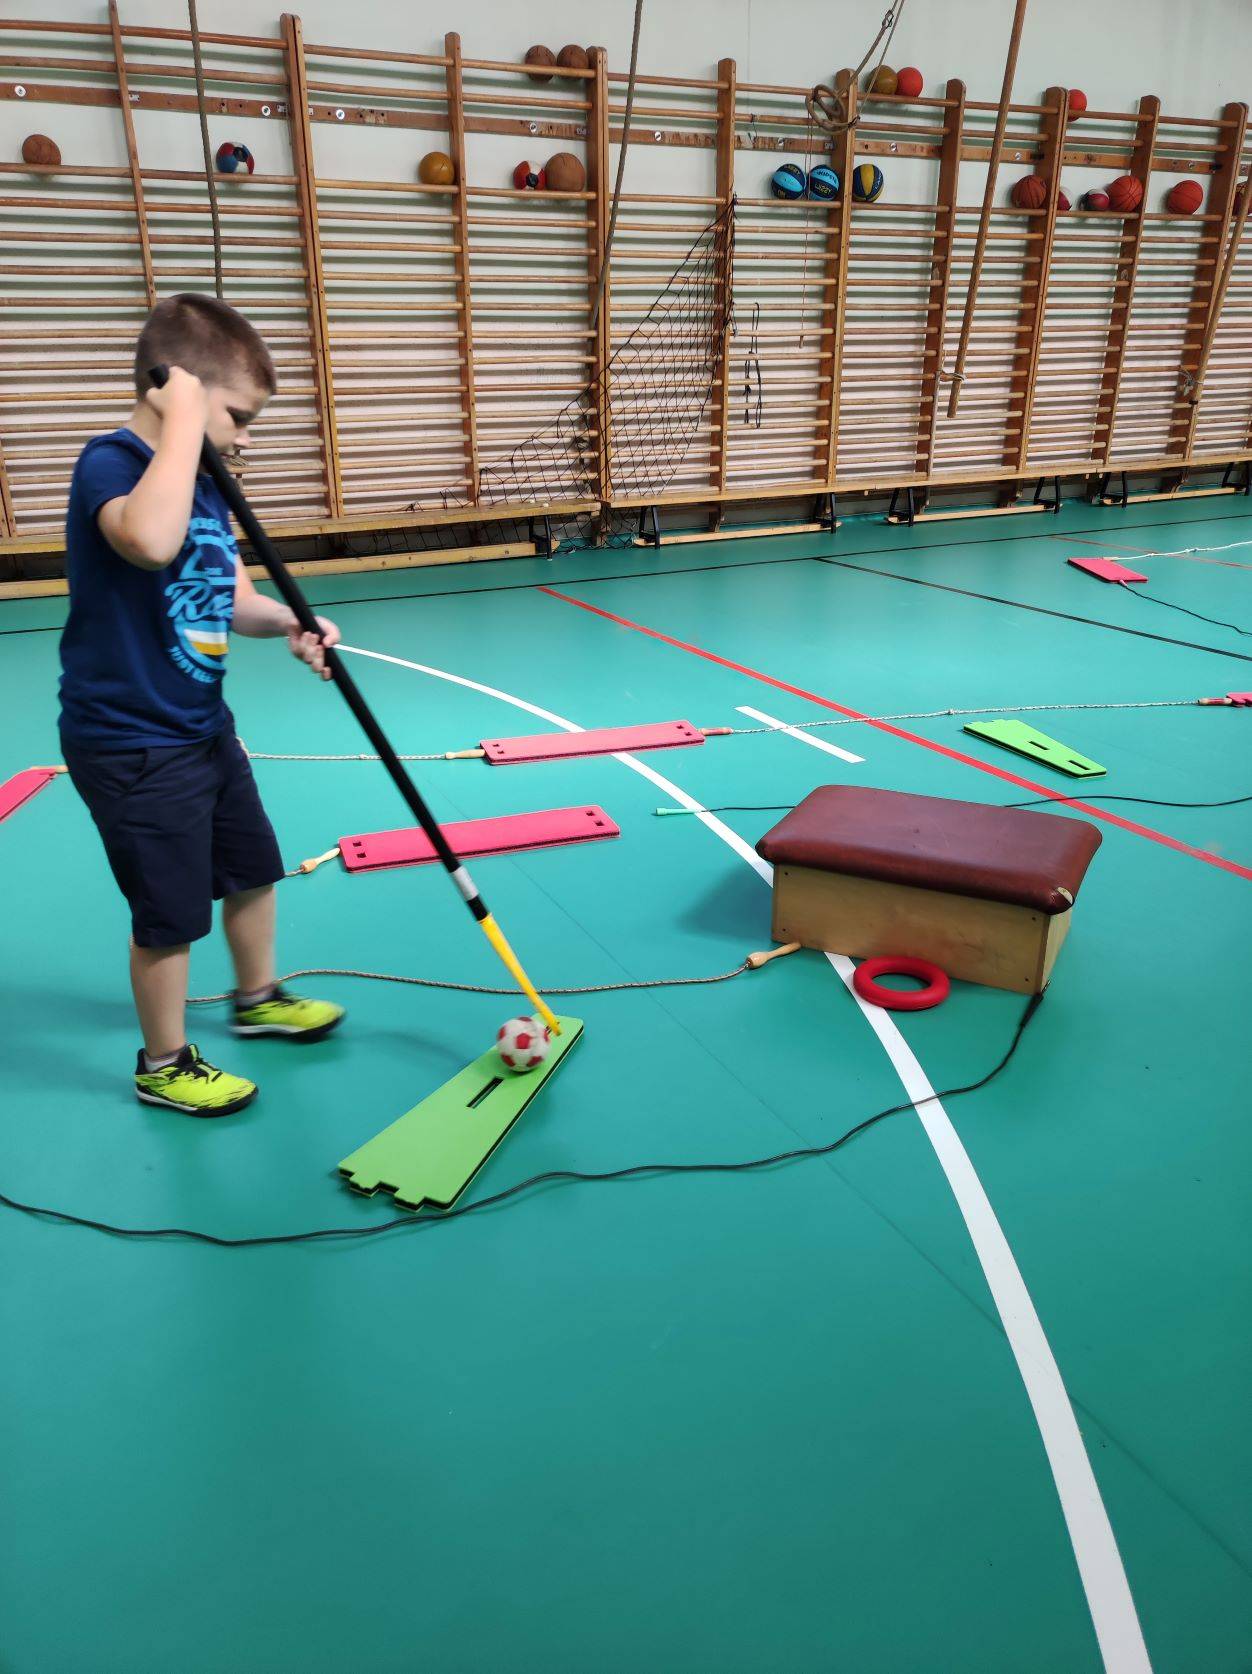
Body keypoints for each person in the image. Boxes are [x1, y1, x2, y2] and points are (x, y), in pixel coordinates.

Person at [58, 292, 345, 1118]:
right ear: (174, 388)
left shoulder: (207, 484)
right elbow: (149, 542)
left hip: (202, 726)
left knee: (253, 869)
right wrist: (184, 420)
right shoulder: (111, 464)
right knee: (170, 912)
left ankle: (258, 999)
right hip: (130, 740)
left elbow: (232, 598)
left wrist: (289, 621)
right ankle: (164, 1061)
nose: (244, 438)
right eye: (238, 417)